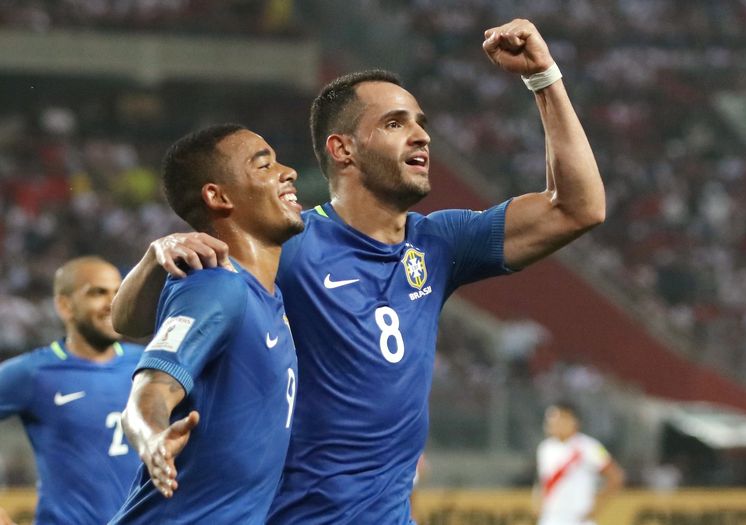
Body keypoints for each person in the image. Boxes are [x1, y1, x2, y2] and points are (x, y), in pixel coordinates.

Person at [111, 18, 605, 524]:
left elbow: (576, 208)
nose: (420, 136)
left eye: (420, 123)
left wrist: (544, 77)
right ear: (342, 148)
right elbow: (129, 322)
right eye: (395, 124)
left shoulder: (439, 243)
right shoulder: (287, 243)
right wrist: (157, 257)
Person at [108, 124, 303, 524]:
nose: (288, 171)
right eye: (264, 164)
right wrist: (153, 437)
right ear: (218, 195)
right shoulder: (217, 285)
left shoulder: (268, 298)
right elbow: (149, 393)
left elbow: (124, 320)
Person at [0, 256, 144, 525]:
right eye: (97, 292)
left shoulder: (148, 364)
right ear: (65, 306)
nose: (111, 303)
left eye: (118, 291)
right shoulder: (33, 372)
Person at [532, 402, 624, 525]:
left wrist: (597, 507)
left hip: (578, 519)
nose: (554, 422)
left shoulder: (590, 446)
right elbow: (543, 479)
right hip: (550, 518)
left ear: (574, 421)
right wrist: (537, 501)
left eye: (560, 418)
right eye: (551, 418)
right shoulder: (545, 448)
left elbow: (616, 476)